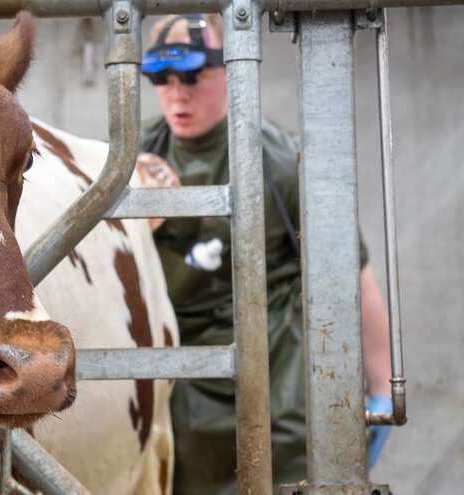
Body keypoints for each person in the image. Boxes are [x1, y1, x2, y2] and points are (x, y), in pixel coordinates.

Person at [134, 14, 394, 494]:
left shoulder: (281, 163)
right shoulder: (130, 160)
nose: (177, 93)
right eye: (163, 79)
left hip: (275, 393)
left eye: (193, 76)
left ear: (230, 69)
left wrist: (379, 393)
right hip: (176, 390)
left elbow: (351, 276)